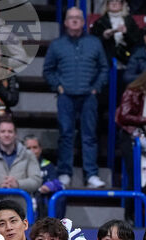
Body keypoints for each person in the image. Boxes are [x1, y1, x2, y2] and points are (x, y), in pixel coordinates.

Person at [44, 7, 109, 189]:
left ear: (83, 22)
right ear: (65, 22)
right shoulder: (57, 44)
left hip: (89, 96)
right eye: (70, 18)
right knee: (65, 135)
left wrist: (96, 88)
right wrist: (58, 86)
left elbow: (104, 68)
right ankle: (65, 172)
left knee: (89, 136)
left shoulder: (94, 43)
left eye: (78, 18)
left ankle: (91, 175)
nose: (74, 21)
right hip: (66, 97)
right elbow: (48, 70)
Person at [0, 118, 42, 209]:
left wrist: (18, 184)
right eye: (3, 131)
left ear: (15, 134)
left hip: (22, 209)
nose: (6, 134)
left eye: (10, 131)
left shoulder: (28, 155)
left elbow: (36, 181)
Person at [91, 0, 142, 64]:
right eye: (111, 1)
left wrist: (126, 33)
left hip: (126, 57)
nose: (114, 3)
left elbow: (137, 40)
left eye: (117, 1)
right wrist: (104, 36)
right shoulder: (100, 22)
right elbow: (93, 41)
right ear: (107, 4)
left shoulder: (130, 21)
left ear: (122, 4)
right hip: (107, 58)